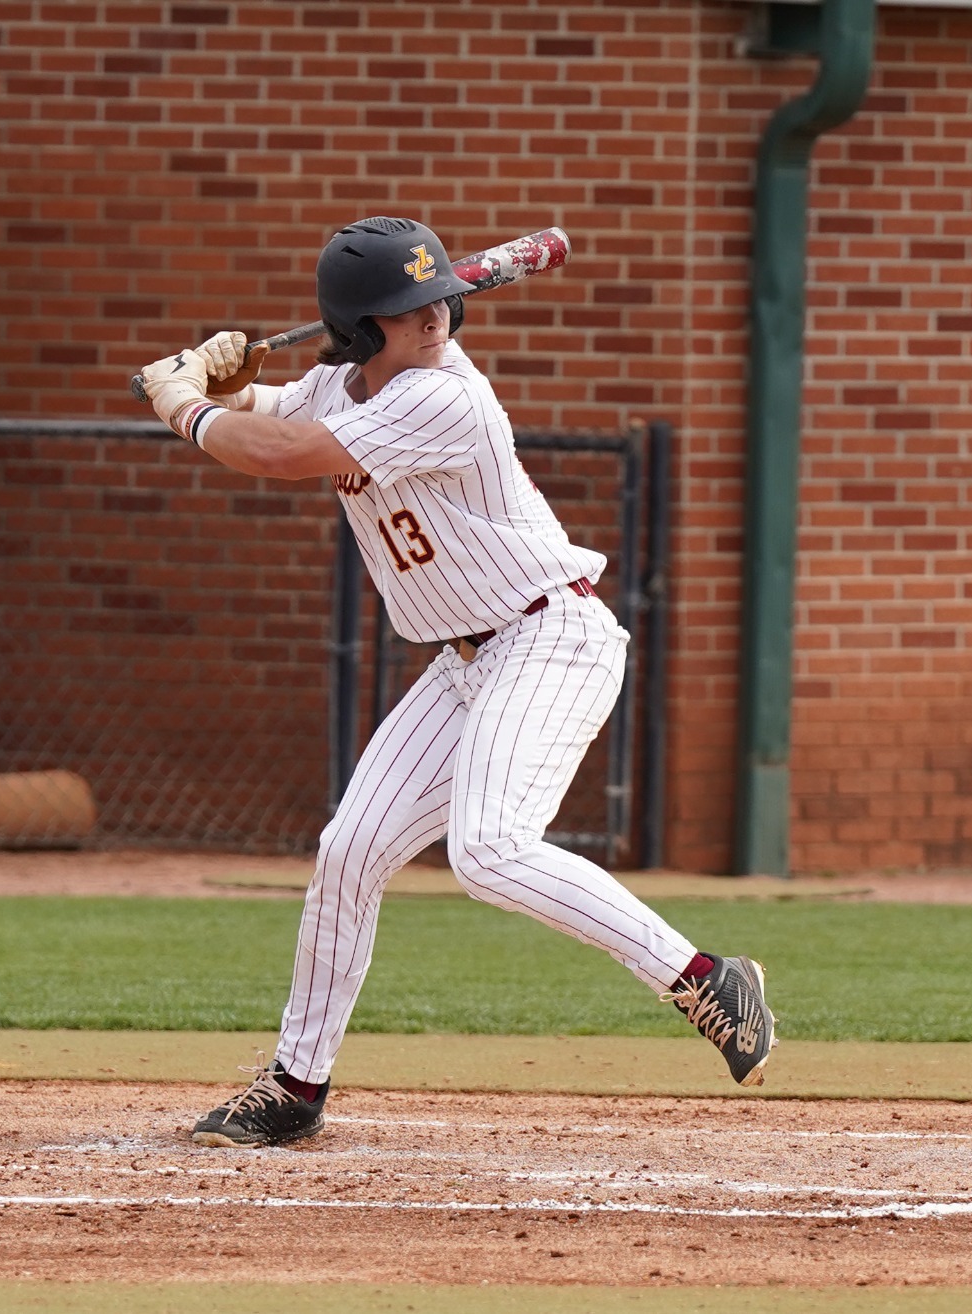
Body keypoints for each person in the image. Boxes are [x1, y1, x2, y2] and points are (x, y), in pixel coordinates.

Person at [138, 216, 774, 1147]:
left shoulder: (447, 399)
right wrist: (227, 380)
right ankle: (294, 1088)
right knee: (349, 850)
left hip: (549, 639)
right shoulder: (341, 384)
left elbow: (273, 453)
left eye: (438, 298)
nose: (435, 316)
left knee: (488, 850)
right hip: (461, 661)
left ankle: (706, 978)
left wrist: (185, 406)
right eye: (408, 308)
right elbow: (283, 412)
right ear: (360, 331)